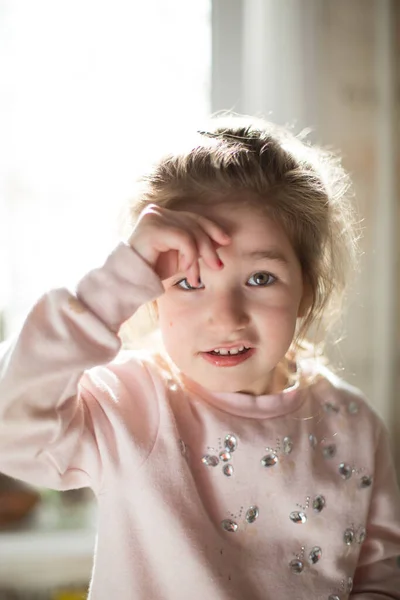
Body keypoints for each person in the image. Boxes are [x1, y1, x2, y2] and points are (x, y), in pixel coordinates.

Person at [0, 116, 399, 600]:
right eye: (189, 282)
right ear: (150, 293)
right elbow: (12, 429)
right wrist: (114, 284)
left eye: (260, 279)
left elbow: (380, 577)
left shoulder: (356, 425)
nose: (225, 317)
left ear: (306, 291)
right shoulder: (131, 404)